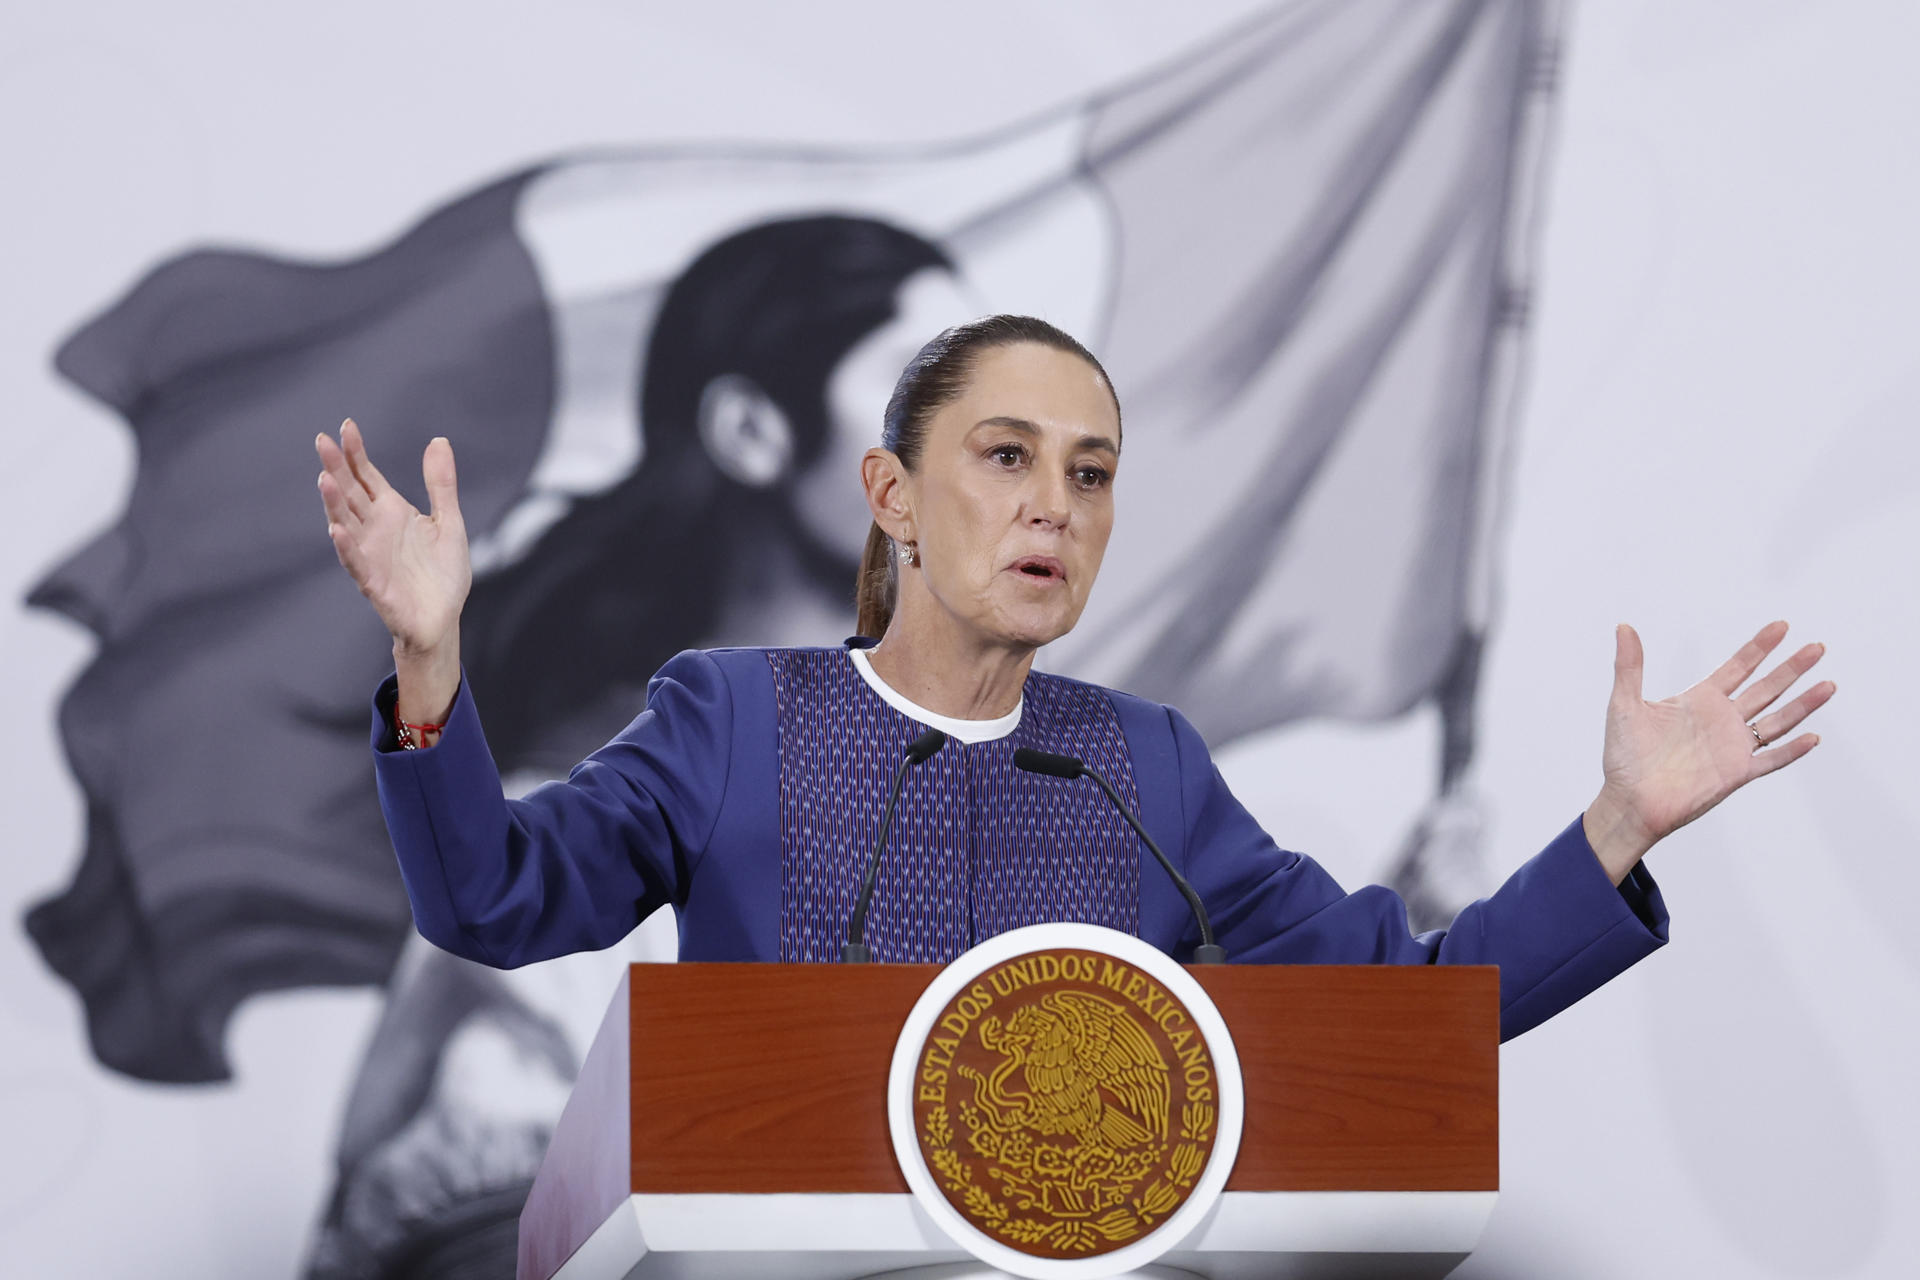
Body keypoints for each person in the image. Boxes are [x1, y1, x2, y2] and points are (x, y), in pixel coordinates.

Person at [315, 314, 1833, 1041]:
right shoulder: (735, 718)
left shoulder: (1144, 765)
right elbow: (493, 899)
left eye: (1091, 474)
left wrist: (1616, 828)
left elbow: (1410, 1009)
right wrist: (430, 656)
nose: (1054, 505)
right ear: (894, 497)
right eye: (1006, 458)